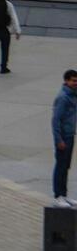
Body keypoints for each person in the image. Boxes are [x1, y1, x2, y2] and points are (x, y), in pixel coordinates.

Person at [53, 69, 77, 208]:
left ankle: (64, 194)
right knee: (60, 166)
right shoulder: (63, 98)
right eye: (73, 81)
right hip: (63, 138)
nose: (75, 83)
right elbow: (55, 120)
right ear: (66, 81)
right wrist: (58, 140)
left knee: (66, 166)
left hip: (70, 135)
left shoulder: (73, 95)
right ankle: (58, 196)